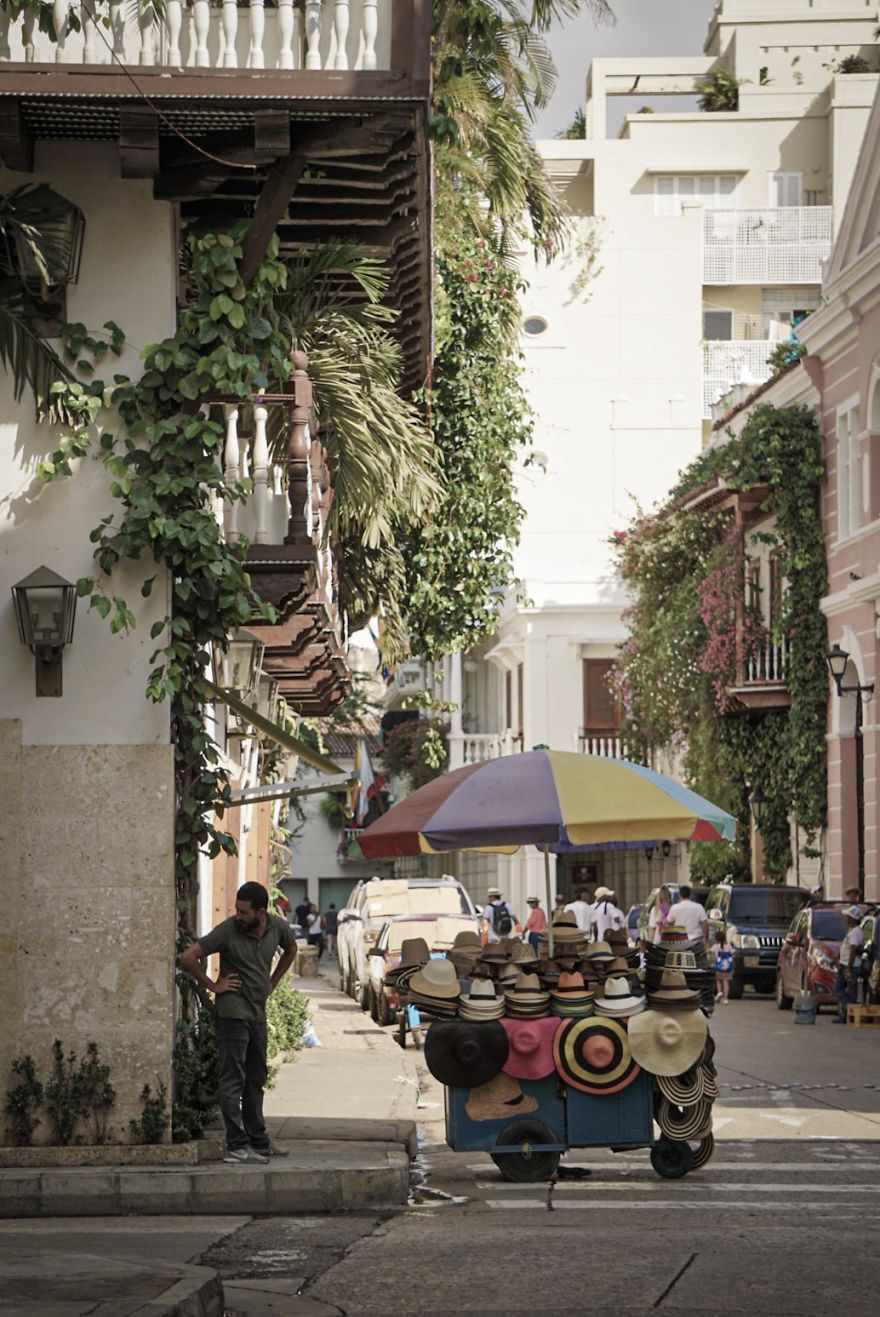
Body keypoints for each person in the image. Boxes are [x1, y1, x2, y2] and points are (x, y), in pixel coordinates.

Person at [179, 881, 296, 1164]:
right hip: (232, 1014)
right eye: (237, 910)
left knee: (256, 1078)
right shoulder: (228, 930)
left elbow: (291, 950)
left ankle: (259, 1140)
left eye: (244, 912)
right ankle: (236, 1145)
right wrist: (212, 985)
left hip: (257, 1013)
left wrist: (273, 982)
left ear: (261, 911)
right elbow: (188, 956)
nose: (238, 916)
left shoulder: (277, 928)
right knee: (233, 1079)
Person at [833, 905, 864, 1023]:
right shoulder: (852, 930)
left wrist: (849, 968)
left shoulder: (856, 932)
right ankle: (847, 1014)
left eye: (848, 916)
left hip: (850, 966)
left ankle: (852, 1010)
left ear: (853, 918)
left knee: (849, 991)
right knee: (838, 988)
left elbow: (853, 949)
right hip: (844, 964)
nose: (846, 918)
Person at [713, 928, 734, 1004]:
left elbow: (708, 951)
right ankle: (725, 998)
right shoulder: (728, 946)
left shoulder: (716, 946)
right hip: (728, 968)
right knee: (726, 982)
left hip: (719, 968)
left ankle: (719, 992)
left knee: (718, 980)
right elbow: (732, 954)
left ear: (716, 939)